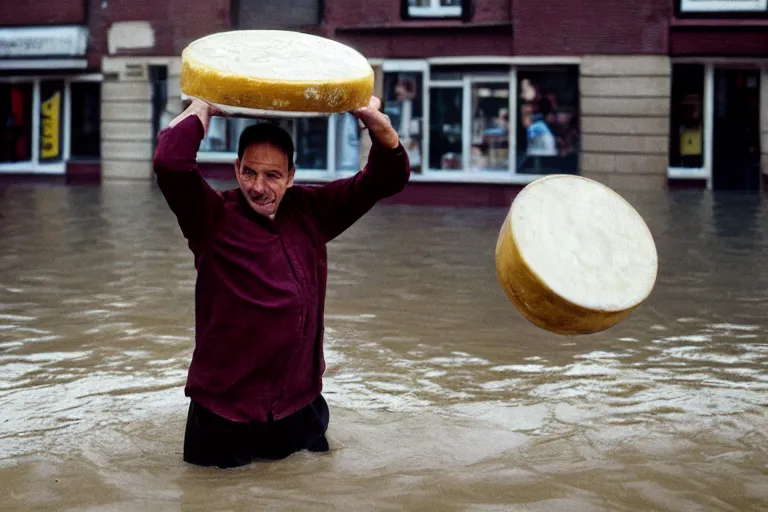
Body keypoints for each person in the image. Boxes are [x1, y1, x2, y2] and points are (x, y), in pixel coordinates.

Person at [152, 96, 410, 469]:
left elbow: (384, 180)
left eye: (272, 175)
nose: (259, 187)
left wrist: (377, 125)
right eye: (249, 173)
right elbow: (170, 164)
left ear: (290, 175)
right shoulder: (210, 218)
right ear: (236, 168)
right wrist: (200, 113)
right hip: (225, 415)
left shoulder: (312, 211)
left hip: (297, 408)